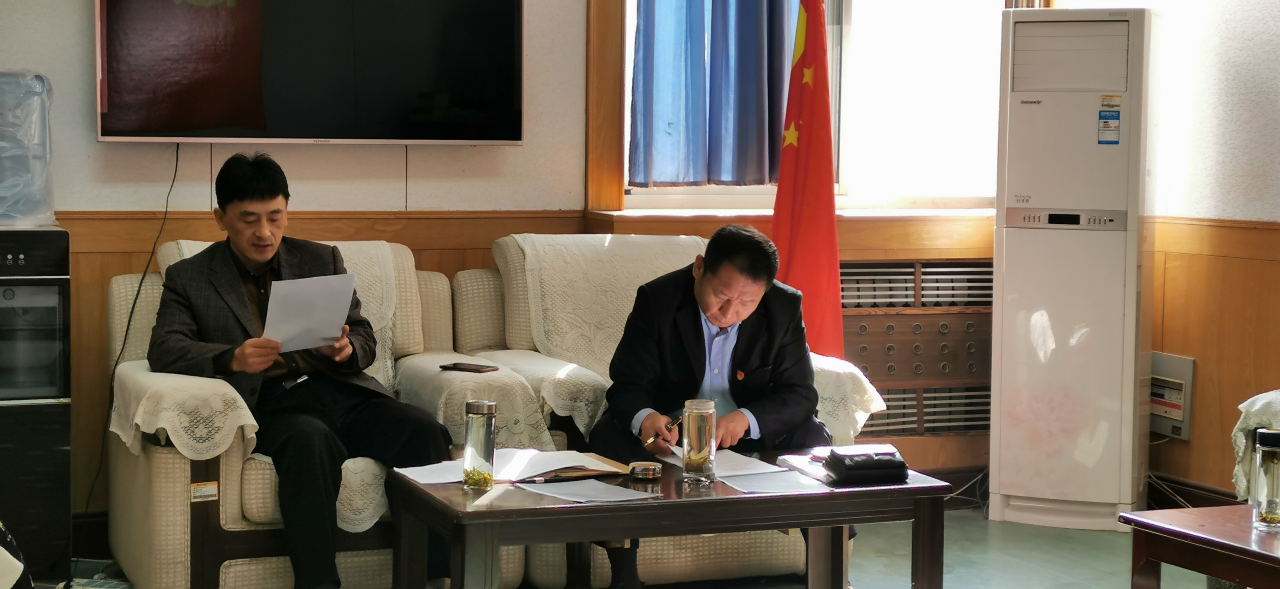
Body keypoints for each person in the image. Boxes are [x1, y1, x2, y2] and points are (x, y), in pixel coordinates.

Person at [148, 153, 452, 589]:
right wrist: (232, 358)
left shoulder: (319, 259)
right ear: (221, 218)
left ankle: (429, 577)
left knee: (423, 431)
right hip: (270, 404)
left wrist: (345, 349)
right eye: (249, 219)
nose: (264, 232)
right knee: (310, 441)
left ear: (287, 212)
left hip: (338, 389)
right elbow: (164, 349)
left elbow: (364, 334)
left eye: (275, 216)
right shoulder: (190, 276)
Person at [588, 224, 834, 589]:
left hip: (744, 435)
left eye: (747, 303)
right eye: (721, 295)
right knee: (609, 435)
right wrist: (647, 419)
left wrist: (745, 420)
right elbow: (627, 384)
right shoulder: (658, 299)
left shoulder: (783, 306)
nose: (730, 311)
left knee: (813, 435)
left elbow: (800, 394)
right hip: (672, 438)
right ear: (699, 267)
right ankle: (625, 578)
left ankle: (829, 573)